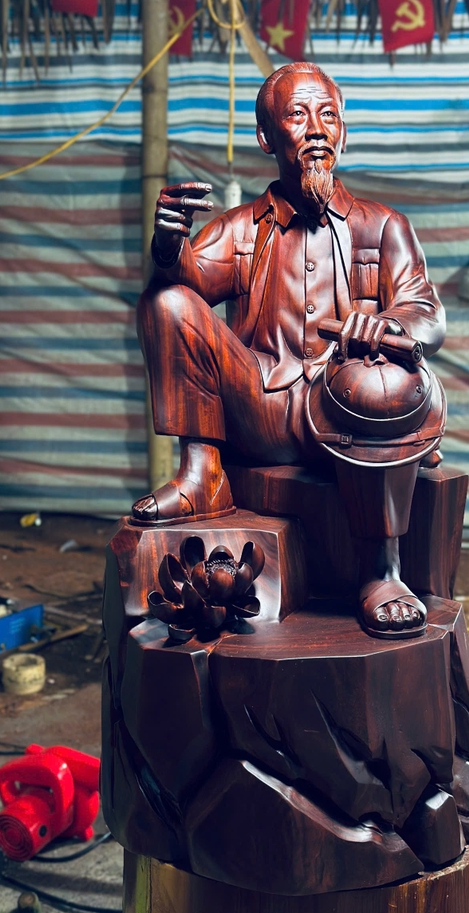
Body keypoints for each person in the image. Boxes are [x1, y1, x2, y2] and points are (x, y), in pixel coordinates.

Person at [133, 62, 447, 639]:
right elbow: (190, 281)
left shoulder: (383, 226)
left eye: (329, 116)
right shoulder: (242, 228)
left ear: (344, 132)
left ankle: (381, 571)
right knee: (167, 300)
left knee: (382, 381)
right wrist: (168, 245)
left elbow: (425, 310)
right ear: (266, 136)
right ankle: (203, 474)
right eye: (298, 115)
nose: (317, 129)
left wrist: (386, 324)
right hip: (262, 405)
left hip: (347, 411)